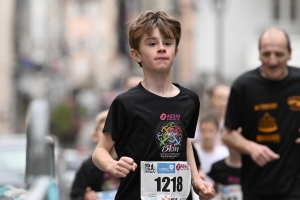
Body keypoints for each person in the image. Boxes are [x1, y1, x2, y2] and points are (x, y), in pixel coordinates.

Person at [92, 10, 214, 200]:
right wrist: (112, 165)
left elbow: (185, 143)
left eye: (167, 43)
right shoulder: (125, 102)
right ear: (136, 54)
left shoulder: (190, 100)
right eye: (152, 44)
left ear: (176, 52)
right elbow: (99, 151)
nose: (161, 48)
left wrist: (196, 180)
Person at [222, 27, 300, 200]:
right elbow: (227, 134)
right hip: (256, 186)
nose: (272, 61)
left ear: (290, 53)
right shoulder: (243, 86)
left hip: (295, 186)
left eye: (279, 54)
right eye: (266, 54)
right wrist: (251, 147)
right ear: (259, 54)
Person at [70, 110, 120, 200]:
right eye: (104, 130)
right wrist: (85, 198)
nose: (109, 134)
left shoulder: (130, 162)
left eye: (114, 129)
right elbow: (75, 195)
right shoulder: (87, 167)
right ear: (94, 136)